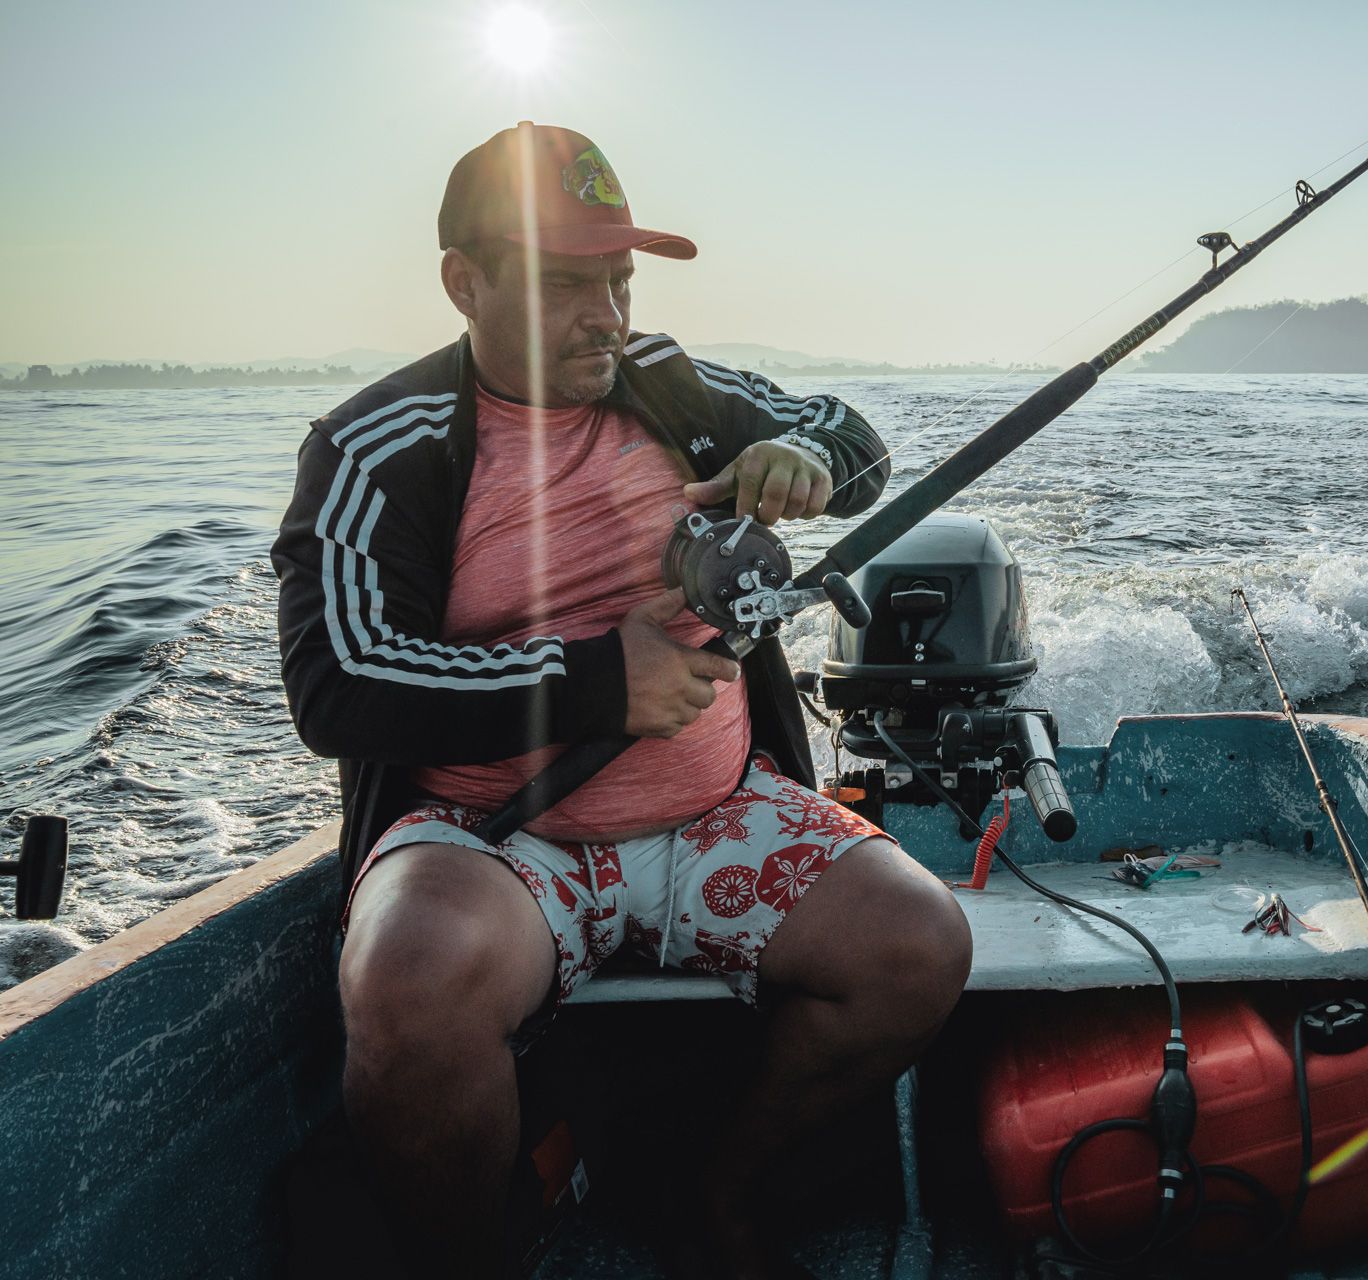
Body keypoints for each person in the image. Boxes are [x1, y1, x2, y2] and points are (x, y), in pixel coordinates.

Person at [272, 121, 972, 1278]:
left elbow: (854, 437)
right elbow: (335, 682)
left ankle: (722, 1196)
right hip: (493, 839)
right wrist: (596, 680)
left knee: (919, 944)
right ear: (465, 282)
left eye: (620, 280)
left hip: (716, 814)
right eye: (565, 284)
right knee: (408, 989)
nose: (606, 314)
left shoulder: (673, 381)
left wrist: (803, 458)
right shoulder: (372, 447)